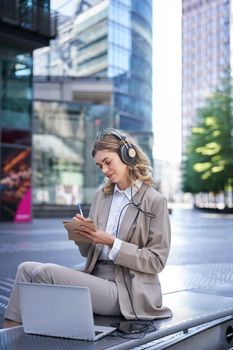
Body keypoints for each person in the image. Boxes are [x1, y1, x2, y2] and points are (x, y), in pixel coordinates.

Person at [3, 128, 172, 328]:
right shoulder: (103, 195)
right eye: (100, 165)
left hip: (127, 290)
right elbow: (88, 253)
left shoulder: (154, 201)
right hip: (95, 276)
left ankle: (42, 331)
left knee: (45, 273)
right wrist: (83, 235)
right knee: (25, 270)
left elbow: (156, 261)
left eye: (108, 162)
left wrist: (110, 241)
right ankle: (8, 337)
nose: (105, 170)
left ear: (128, 153)